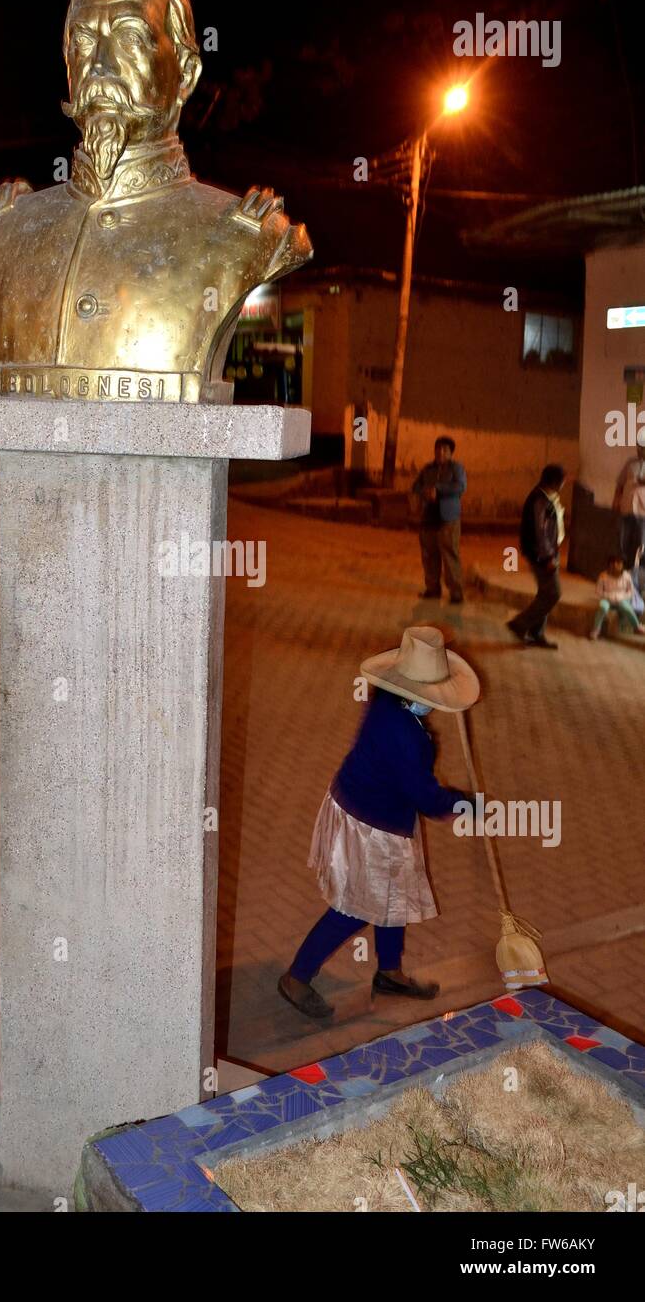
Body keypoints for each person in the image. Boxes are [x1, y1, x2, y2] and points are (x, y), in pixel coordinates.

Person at [278, 626, 479, 1020]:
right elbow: (425, 795)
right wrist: (463, 803)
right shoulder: (405, 735)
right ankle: (297, 977)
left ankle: (389, 971)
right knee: (355, 907)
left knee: (392, 899)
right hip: (370, 824)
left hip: (370, 807)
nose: (434, 704)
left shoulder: (388, 701)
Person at [507, 464, 566, 650]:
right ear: (556, 481)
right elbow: (540, 532)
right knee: (553, 593)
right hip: (542, 555)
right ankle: (520, 624)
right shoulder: (540, 500)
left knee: (545, 593)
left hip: (546, 553)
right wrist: (548, 557)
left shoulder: (547, 497)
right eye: (563, 480)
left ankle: (537, 633)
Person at [411, 436, 466, 603]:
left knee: (450, 555)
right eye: (438, 449)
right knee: (429, 555)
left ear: (450, 453)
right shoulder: (428, 469)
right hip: (429, 517)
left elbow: (460, 486)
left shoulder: (456, 468)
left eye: (445, 450)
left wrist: (438, 489)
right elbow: (415, 486)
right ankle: (433, 589)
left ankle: (456, 593)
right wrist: (425, 492)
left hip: (448, 518)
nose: (440, 452)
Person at [589, 554, 645, 640]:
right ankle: (596, 629)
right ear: (609, 564)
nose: (615, 565)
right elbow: (598, 591)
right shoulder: (603, 576)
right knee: (603, 607)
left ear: (622, 565)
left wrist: (621, 597)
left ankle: (637, 626)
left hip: (622, 599)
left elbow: (631, 591)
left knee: (626, 608)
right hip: (607, 599)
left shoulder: (626, 576)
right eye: (613, 563)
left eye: (618, 563)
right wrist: (609, 596)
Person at [612, 445, 645, 568]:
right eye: (639, 447)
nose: (640, 450)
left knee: (640, 544)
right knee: (622, 543)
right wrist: (615, 501)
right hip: (626, 508)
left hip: (643, 513)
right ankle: (622, 573)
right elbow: (620, 484)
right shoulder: (630, 463)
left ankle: (637, 576)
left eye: (643, 448)